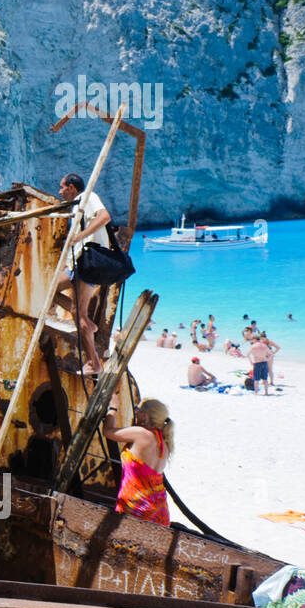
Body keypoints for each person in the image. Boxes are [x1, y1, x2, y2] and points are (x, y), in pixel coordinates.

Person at [54, 172, 112, 375]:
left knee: (78, 315)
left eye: (62, 187)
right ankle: (87, 322)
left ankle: (93, 363)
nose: (60, 191)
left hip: (89, 263)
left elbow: (105, 217)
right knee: (49, 290)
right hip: (77, 263)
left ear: (71, 187)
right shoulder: (77, 204)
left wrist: (80, 235)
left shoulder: (88, 196)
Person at [103, 398, 173, 526]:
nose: (135, 413)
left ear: (145, 416)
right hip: (160, 512)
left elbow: (108, 432)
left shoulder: (141, 433)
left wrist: (113, 408)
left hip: (137, 507)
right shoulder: (165, 444)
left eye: (137, 410)